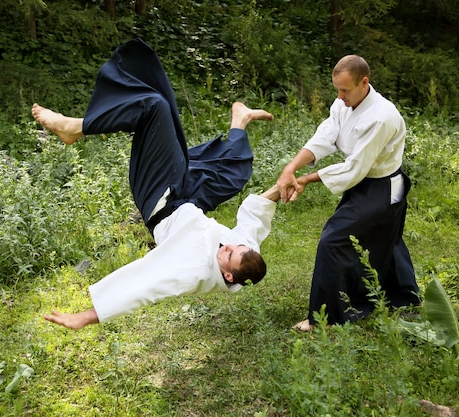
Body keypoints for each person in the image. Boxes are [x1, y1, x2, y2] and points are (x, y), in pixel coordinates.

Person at [33, 38, 285, 329]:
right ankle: (239, 122)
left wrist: (86, 317)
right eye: (235, 246)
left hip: (160, 200)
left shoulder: (192, 271)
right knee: (234, 174)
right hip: (190, 198)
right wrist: (284, 184)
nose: (228, 245)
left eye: (228, 253)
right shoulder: (243, 251)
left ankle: (75, 127)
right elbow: (253, 216)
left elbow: (145, 287)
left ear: (227, 275)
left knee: (155, 106)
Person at [276, 54, 420, 332]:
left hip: (386, 186)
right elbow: (325, 135)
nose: (340, 97)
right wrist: (290, 168)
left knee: (334, 240)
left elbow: (355, 168)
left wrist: (305, 179)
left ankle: (325, 317)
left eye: (345, 90)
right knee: (386, 234)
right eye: (337, 90)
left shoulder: (381, 117)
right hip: (368, 182)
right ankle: (404, 294)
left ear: (364, 82)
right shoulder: (344, 103)